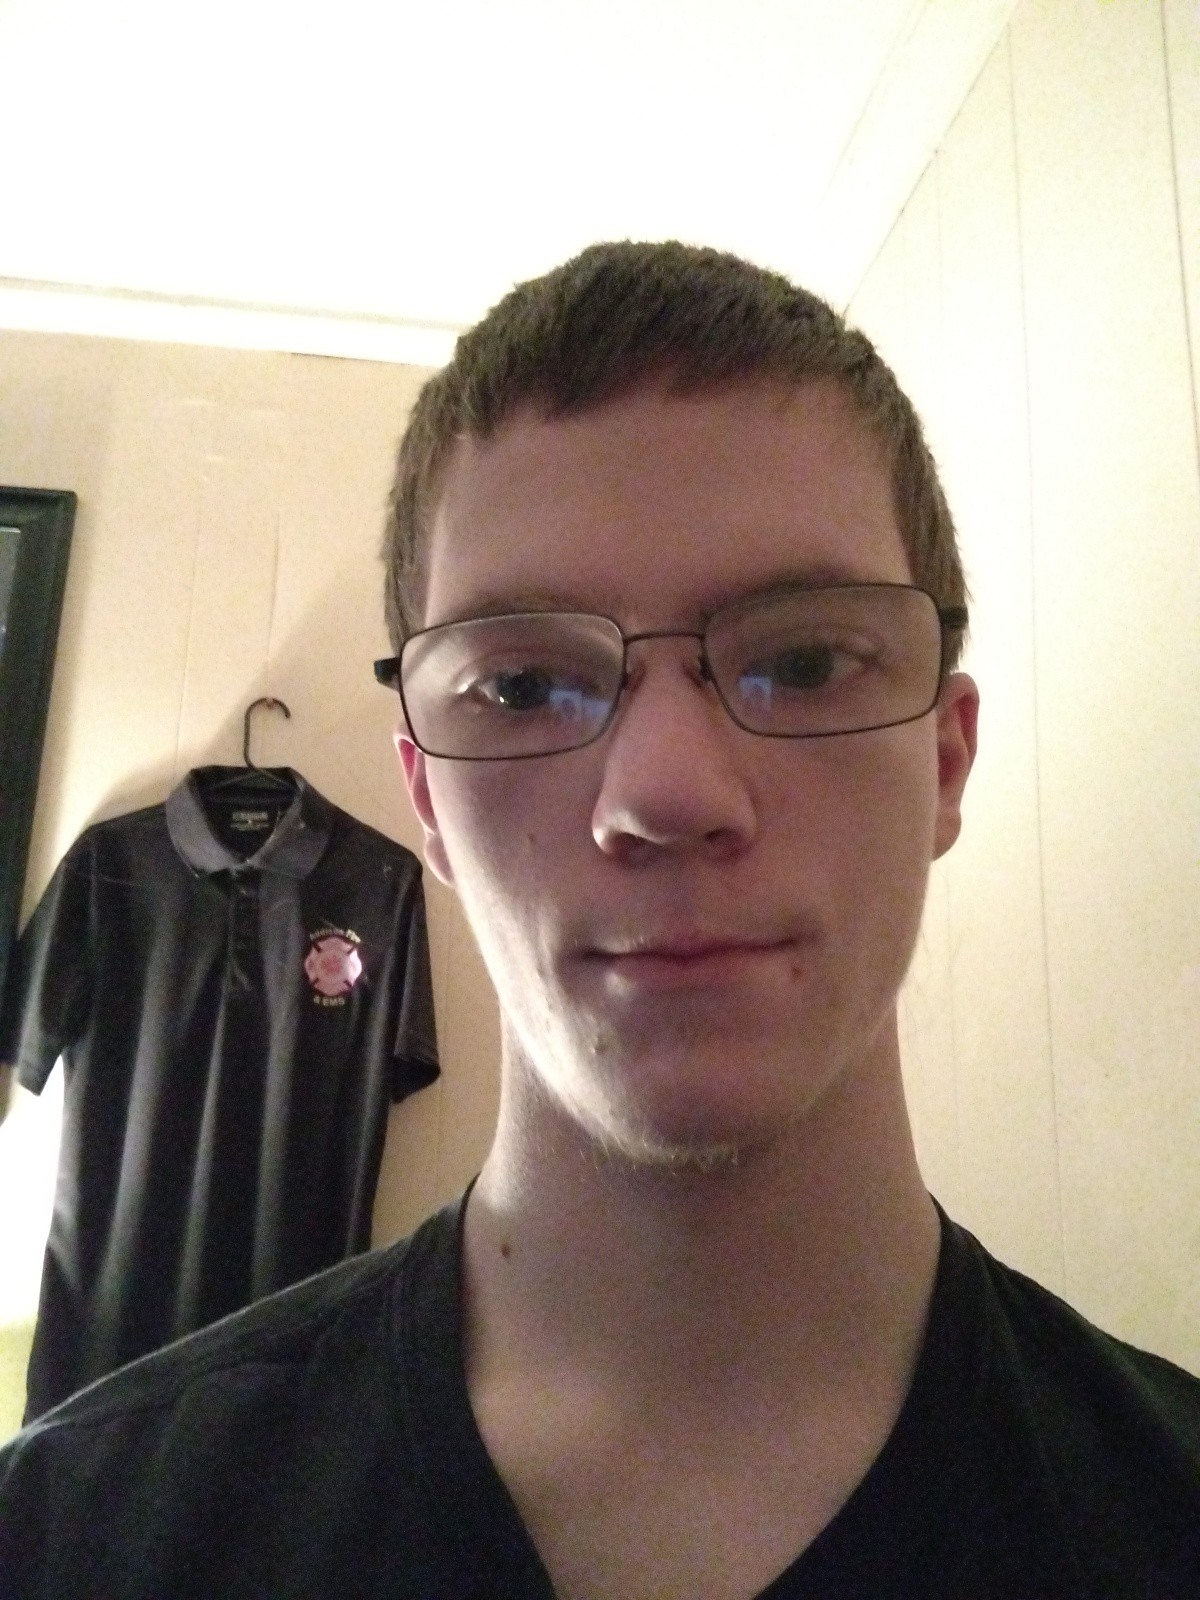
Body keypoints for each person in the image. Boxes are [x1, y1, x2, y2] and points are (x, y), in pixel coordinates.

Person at [1, 241, 1198, 1599]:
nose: (667, 793)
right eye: (522, 687)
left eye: (806, 660)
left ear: (945, 759)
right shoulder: (69, 1540)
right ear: (428, 803)